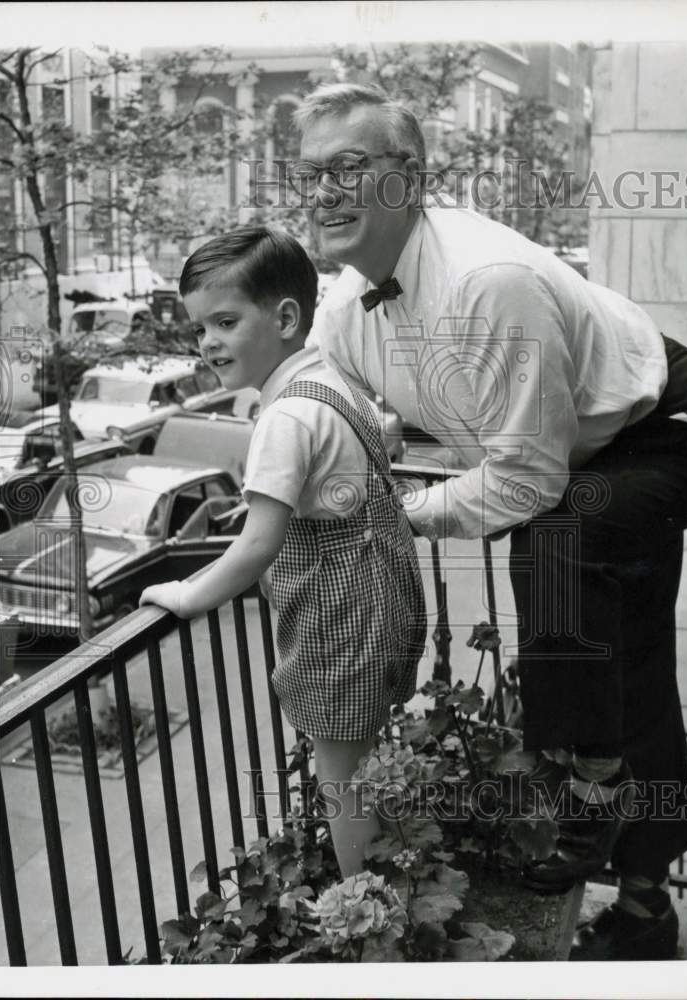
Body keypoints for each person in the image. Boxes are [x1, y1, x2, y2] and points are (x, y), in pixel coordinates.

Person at [292, 82, 687, 960]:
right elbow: (318, 410)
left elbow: (519, 483)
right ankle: (640, 898)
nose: (320, 191)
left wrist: (396, 515)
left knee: (559, 542)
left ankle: (585, 785)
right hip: (574, 457)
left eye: (348, 168)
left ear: (409, 178)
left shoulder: (487, 282)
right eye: (309, 172)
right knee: (624, 648)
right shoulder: (343, 310)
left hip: (659, 430)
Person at [139, 225, 427, 877]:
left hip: (338, 617)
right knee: (361, 763)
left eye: (225, 321)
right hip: (381, 594)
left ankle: (373, 907)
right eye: (200, 328)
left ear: (287, 317)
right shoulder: (333, 383)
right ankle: (399, 875)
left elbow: (257, 545)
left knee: (340, 781)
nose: (208, 342)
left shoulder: (285, 417)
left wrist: (186, 596)